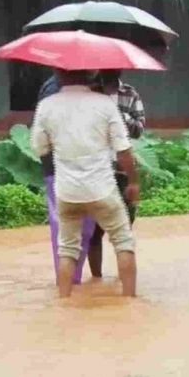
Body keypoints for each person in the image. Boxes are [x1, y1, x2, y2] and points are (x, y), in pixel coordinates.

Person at [31, 70, 140, 298]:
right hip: (102, 189)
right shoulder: (104, 104)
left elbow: (40, 148)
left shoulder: (46, 106)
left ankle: (64, 301)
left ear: (59, 75)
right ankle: (130, 301)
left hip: (67, 192)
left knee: (67, 250)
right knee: (123, 242)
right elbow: (123, 150)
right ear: (90, 74)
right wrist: (133, 181)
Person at [37, 75, 98, 285]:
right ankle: (68, 280)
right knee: (66, 224)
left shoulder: (89, 87)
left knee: (84, 225)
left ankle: (72, 280)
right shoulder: (52, 89)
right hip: (61, 166)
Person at [86, 70, 144, 279]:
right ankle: (97, 279)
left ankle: (123, 281)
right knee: (94, 231)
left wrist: (118, 115)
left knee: (124, 230)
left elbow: (139, 129)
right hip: (96, 170)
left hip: (122, 169)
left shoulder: (130, 93)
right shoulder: (89, 94)